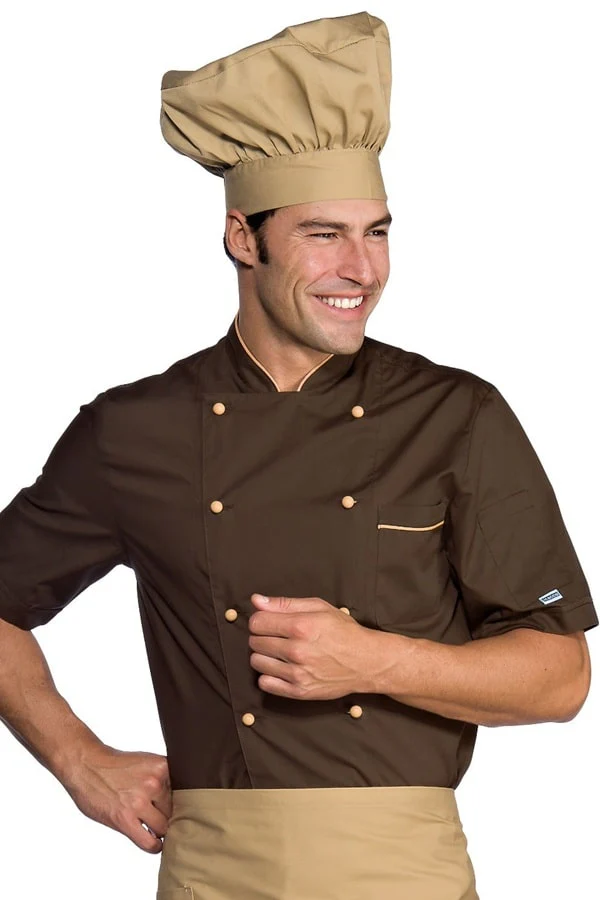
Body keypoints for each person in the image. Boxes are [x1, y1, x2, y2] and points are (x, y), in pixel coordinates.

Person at [0, 11, 596, 900]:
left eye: (377, 232)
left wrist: (373, 660)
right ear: (243, 238)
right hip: (211, 871)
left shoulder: (454, 415)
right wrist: (79, 761)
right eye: (325, 234)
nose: (362, 268)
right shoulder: (135, 430)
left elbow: (560, 678)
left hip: (406, 871)